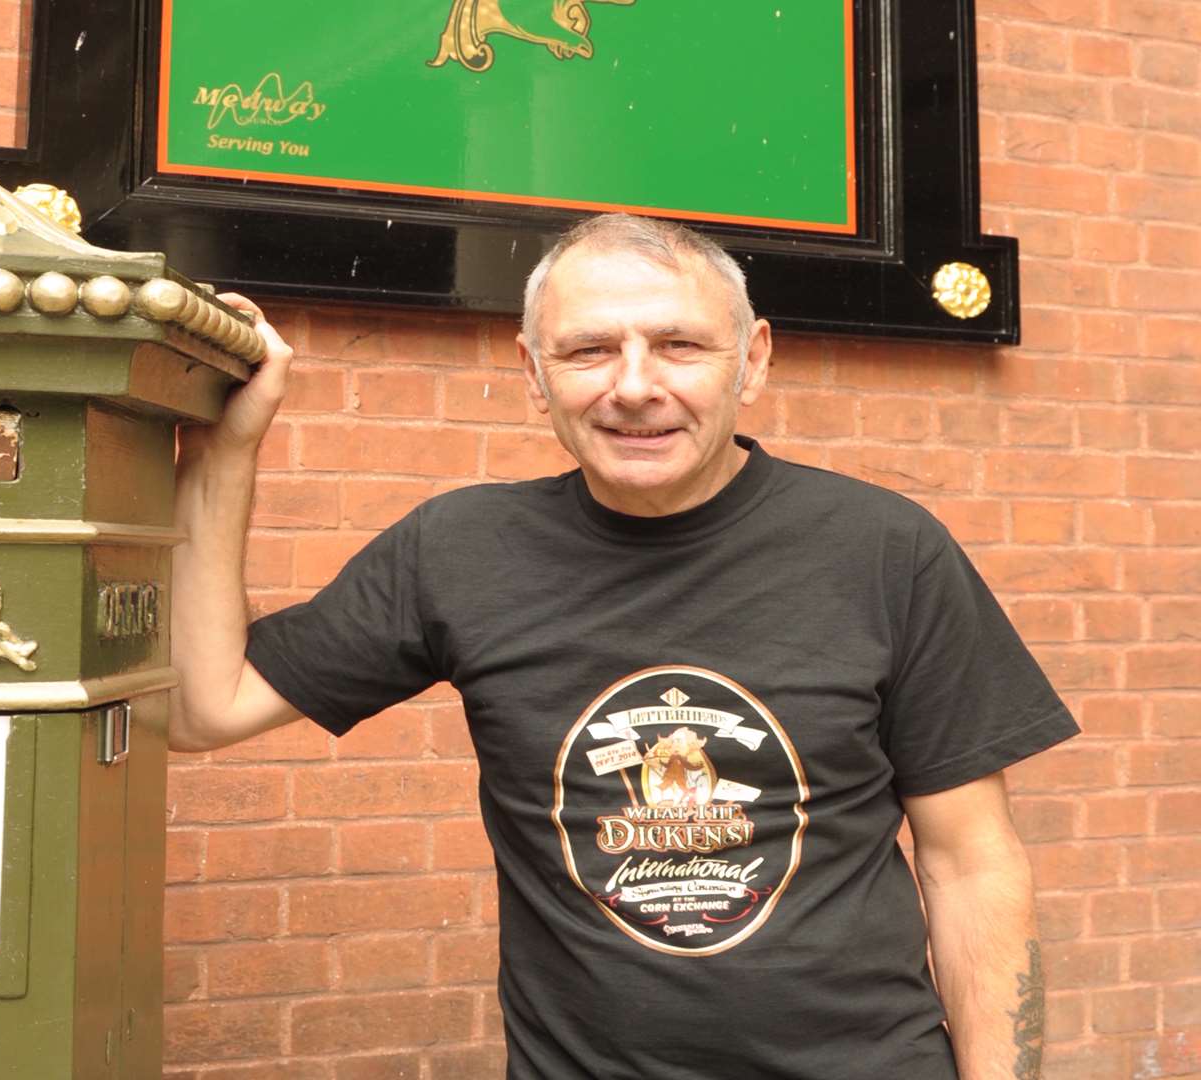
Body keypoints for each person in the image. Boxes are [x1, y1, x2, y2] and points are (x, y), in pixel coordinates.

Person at [170, 213, 1076, 1080]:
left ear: (751, 361)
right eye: (589, 349)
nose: (635, 386)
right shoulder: (460, 551)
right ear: (533, 372)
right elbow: (202, 705)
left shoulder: (884, 550)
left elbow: (970, 865)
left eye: (680, 344)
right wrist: (225, 448)